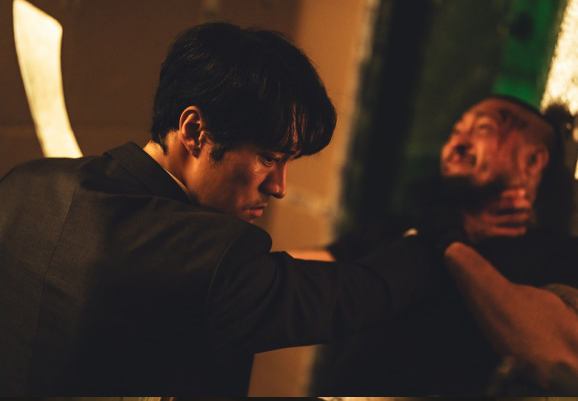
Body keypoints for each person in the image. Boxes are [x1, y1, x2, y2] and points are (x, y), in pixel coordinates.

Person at [0, 22, 444, 396]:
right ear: (195, 130)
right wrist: (440, 237)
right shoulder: (213, 256)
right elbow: (354, 297)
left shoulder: (25, 183)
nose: (280, 187)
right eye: (269, 157)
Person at [305, 95, 578, 395]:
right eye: (456, 131)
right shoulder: (401, 229)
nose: (457, 143)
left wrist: (453, 243)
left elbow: (560, 354)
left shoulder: (559, 255)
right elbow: (299, 285)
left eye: (484, 129)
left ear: (533, 161)